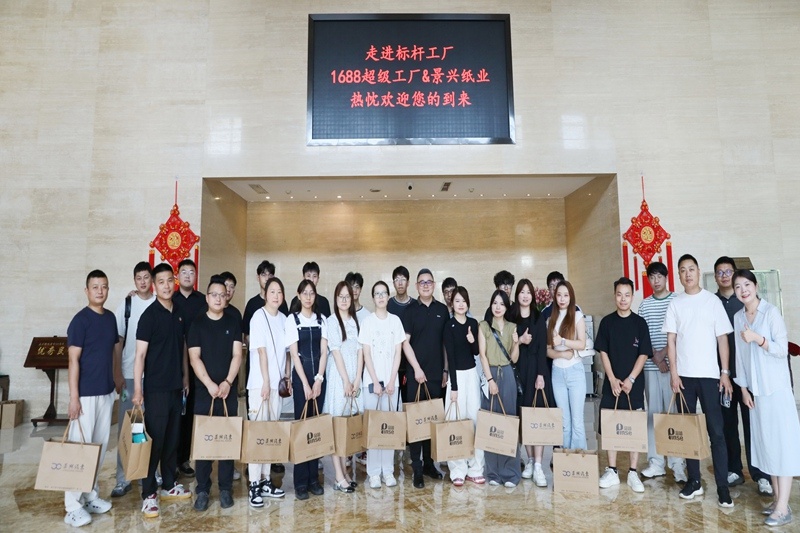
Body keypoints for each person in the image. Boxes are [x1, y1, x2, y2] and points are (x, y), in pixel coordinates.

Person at [663, 254, 734, 508]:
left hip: (710, 376)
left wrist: (725, 372)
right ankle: (694, 480)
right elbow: (671, 340)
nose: (687, 274)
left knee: (716, 431)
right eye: (682, 270)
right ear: (679, 275)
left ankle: (722, 487)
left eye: (691, 269)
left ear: (698, 271)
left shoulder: (712, 301)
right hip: (684, 378)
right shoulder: (675, 303)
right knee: (688, 432)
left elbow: (722, 339)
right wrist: (674, 373)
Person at [732, 269, 800, 527]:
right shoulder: (739, 317)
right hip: (756, 391)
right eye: (738, 287)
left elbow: (782, 349)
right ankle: (778, 500)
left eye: (747, 284)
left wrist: (758, 339)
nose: (743, 290)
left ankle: (783, 508)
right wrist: (743, 389)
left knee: (782, 446)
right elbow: (740, 356)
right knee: (768, 446)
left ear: (756, 286)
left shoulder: (771, 313)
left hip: (776, 390)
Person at [133, 263, 193, 519]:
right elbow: (139, 355)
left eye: (170, 280)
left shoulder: (178, 312)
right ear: (154, 286)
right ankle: (148, 494)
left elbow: (183, 347)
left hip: (176, 387)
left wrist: (185, 377)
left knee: (172, 440)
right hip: (155, 389)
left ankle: (169, 484)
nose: (167, 286)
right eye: (161, 282)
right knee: (154, 442)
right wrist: (138, 389)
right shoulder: (149, 316)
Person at [63, 270, 119, 528]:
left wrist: (116, 380)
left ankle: (90, 495)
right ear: (86, 290)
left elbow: (113, 353)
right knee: (80, 449)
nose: (100, 291)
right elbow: (73, 361)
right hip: (84, 396)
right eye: (95, 287)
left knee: (98, 446)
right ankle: (72, 506)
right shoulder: (80, 321)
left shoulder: (110, 318)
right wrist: (74, 398)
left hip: (106, 392)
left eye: (104, 286)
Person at [714, 256, 771, 495]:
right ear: (715, 277)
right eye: (720, 272)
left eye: (728, 271)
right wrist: (722, 372)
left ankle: (761, 474)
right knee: (728, 423)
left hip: (750, 375)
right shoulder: (712, 303)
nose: (724, 276)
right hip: (724, 376)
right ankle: (734, 469)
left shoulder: (746, 302)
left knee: (753, 424)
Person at [187, 276, 243, 511]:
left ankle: (226, 488)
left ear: (226, 297)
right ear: (207, 297)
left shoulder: (233, 321)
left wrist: (228, 382)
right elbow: (194, 358)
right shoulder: (197, 324)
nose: (219, 298)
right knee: (205, 441)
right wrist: (210, 384)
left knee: (228, 439)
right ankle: (202, 489)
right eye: (214, 295)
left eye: (222, 294)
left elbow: (237, 355)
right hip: (204, 392)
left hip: (227, 392)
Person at [596, 277, 652, 493]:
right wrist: (611, 378)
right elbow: (603, 352)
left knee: (632, 426)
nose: (623, 299)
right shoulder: (607, 323)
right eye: (619, 294)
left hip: (633, 385)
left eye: (627, 295)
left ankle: (632, 472)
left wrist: (631, 379)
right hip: (612, 385)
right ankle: (611, 470)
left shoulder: (640, 323)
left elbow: (643, 354)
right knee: (610, 425)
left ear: (632, 296)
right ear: (614, 296)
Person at [638, 262, 687, 483]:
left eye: (659, 276)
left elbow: (680, 333)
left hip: (673, 367)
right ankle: (656, 462)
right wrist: (656, 359)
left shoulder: (676, 301)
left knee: (672, 414)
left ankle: (677, 463)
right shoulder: (644, 305)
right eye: (652, 277)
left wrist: (664, 355)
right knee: (654, 414)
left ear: (666, 278)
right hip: (651, 367)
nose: (656, 281)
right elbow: (642, 336)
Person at [402, 268, 450, 489]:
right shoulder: (410, 310)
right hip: (415, 375)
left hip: (436, 375)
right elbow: (405, 343)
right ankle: (418, 469)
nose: (425, 285)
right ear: (416, 286)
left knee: (432, 421)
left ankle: (430, 464)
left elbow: (445, 344)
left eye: (429, 282)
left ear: (434, 285)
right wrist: (416, 369)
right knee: (416, 423)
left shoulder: (442, 310)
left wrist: (445, 370)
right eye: (422, 282)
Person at [111, 262, 155, 498]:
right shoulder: (127, 304)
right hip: (129, 374)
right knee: (129, 426)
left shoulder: (159, 303)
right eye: (139, 278)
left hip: (154, 376)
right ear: (134, 280)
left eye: (146, 277)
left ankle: (152, 472)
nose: (142, 282)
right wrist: (117, 372)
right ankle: (123, 477)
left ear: (152, 280)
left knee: (152, 426)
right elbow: (118, 341)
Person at [246, 277, 288, 506]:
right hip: (260, 385)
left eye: (279, 291)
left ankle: (265, 480)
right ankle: (254, 484)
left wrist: (287, 377)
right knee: (258, 434)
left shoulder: (284, 319)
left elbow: (287, 353)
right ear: (265, 294)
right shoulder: (258, 316)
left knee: (270, 434)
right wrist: (265, 382)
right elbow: (261, 351)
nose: (276, 295)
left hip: (276, 387)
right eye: (272, 291)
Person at [285, 279, 329, 500]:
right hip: (301, 378)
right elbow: (294, 354)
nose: (308, 297)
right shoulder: (292, 320)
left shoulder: (322, 320)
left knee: (316, 427)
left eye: (312, 293)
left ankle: (314, 479)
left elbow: (324, 352)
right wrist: (304, 383)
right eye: (305, 293)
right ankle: (301, 482)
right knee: (302, 428)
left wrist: (319, 380)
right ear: (298, 295)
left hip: (319, 378)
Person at [359, 281, 406, 489]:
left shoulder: (395, 321)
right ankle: (374, 473)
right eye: (377, 293)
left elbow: (398, 353)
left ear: (388, 297)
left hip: (391, 384)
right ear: (373, 298)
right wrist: (376, 381)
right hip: (372, 384)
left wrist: (392, 380)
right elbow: (366, 354)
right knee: (374, 427)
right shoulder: (367, 322)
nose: (380, 297)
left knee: (389, 428)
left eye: (383, 293)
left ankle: (388, 471)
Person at [478, 289, 520, 487]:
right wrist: (490, 380)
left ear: (506, 307)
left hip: (508, 375)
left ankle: (510, 472)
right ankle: (493, 472)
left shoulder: (512, 327)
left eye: (502, 304)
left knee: (508, 420)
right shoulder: (484, 326)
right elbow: (482, 355)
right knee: (491, 423)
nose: (498, 307)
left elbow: (514, 359)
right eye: (495, 303)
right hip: (491, 375)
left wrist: (517, 343)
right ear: (491, 305)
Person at [324, 281, 364, 493]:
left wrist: (357, 379)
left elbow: (360, 351)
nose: (344, 300)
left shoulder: (356, 321)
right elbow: (336, 352)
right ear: (335, 299)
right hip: (339, 378)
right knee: (337, 425)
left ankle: (345, 473)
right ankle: (339, 475)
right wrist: (346, 380)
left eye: (347, 296)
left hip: (353, 377)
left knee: (347, 426)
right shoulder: (331, 321)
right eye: (340, 296)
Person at [443, 286, 484, 486]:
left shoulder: (473, 323)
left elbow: (476, 352)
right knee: (455, 421)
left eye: (464, 301)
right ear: (452, 303)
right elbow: (450, 358)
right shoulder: (449, 325)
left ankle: (475, 468)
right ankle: (457, 469)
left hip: (471, 375)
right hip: (456, 377)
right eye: (457, 301)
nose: (461, 304)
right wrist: (454, 387)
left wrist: (472, 340)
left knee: (474, 419)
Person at [509, 279, 548, 486]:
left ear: (532, 296)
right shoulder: (511, 316)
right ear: (517, 295)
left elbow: (542, 348)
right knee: (523, 416)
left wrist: (541, 374)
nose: (525, 296)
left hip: (535, 370)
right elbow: (508, 345)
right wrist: (520, 341)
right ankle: (531, 460)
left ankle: (539, 465)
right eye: (522, 292)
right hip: (517, 371)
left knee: (537, 415)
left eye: (528, 292)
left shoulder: (538, 317)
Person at [172, 258, 205, 479]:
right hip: (172, 364)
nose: (187, 275)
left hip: (196, 367)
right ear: (177, 276)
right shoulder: (169, 299)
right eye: (183, 272)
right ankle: (169, 461)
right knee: (172, 415)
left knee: (189, 414)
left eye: (191, 272)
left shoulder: (202, 301)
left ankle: (184, 459)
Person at [546, 281, 588, 450]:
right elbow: (548, 350)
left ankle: (578, 460)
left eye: (565, 295)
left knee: (577, 421)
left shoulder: (577, 316)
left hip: (575, 371)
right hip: (557, 372)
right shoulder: (550, 320)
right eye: (559, 295)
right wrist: (562, 353)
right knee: (564, 421)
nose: (562, 299)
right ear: (555, 297)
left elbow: (582, 344)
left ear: (571, 297)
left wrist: (562, 341)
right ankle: (565, 460)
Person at [388, 265, 416, 406]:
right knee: (390, 405)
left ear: (408, 282)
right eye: (397, 279)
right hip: (391, 364)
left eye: (403, 279)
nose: (400, 283)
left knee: (408, 404)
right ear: (393, 283)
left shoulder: (415, 305)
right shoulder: (388, 304)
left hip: (410, 365)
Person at [243, 260, 289, 344]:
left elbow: (286, 330)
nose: (267, 278)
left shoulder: (280, 302)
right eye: (263, 275)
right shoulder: (252, 303)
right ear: (258, 277)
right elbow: (246, 335)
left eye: (270, 275)